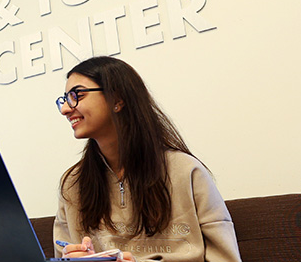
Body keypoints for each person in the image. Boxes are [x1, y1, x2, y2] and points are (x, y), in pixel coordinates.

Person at [54, 57, 242, 262]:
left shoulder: (185, 171)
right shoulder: (73, 183)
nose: (65, 109)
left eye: (76, 95)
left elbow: (226, 258)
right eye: (64, 99)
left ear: (117, 99)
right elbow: (60, 254)